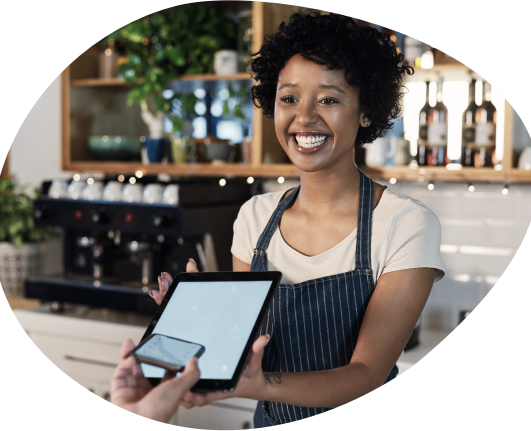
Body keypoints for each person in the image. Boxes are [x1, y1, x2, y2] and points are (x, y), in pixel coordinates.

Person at [151, 9, 445, 427]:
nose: (304, 117)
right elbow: (247, 352)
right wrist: (193, 324)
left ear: (366, 111)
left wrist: (257, 385)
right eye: (289, 97)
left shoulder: (405, 224)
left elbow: (366, 375)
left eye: (329, 99)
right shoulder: (255, 217)